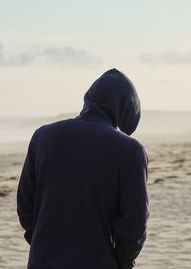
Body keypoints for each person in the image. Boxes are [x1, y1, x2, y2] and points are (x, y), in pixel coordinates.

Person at [17, 68, 149, 269]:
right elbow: (134, 224)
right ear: (126, 107)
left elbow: (25, 207)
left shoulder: (43, 136)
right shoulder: (129, 150)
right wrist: (122, 262)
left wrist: (42, 244)